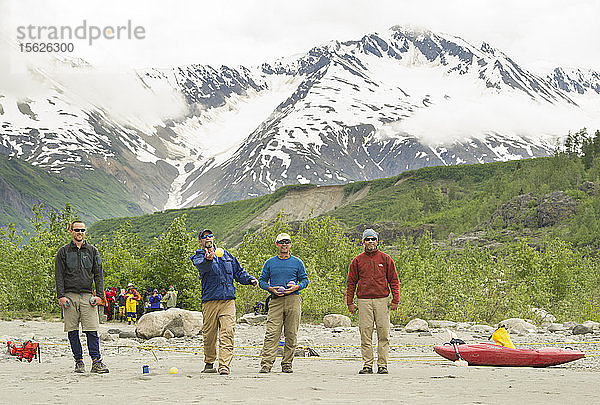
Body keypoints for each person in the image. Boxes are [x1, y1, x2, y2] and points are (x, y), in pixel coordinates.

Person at [190, 229, 258, 375]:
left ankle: (224, 366)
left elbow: (238, 272)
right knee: (209, 334)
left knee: (228, 332)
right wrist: (208, 259)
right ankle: (209, 362)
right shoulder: (199, 256)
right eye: (204, 236)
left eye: (210, 236)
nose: (208, 238)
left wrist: (250, 279)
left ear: (213, 238)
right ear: (200, 241)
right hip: (210, 301)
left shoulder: (226, 255)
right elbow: (202, 267)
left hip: (228, 301)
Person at [54, 220, 109, 374]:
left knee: (92, 330)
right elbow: (59, 275)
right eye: (77, 230)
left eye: (82, 230)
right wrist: (61, 296)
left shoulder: (93, 251)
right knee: (72, 331)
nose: (80, 233)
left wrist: (100, 296)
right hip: (69, 296)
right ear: (71, 231)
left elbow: (99, 274)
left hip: (88, 296)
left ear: (85, 232)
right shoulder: (63, 252)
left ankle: (96, 362)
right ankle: (79, 361)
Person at [346, 229, 399, 375]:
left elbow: (394, 280)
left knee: (383, 333)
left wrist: (395, 300)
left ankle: (383, 365)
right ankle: (367, 365)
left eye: (373, 239)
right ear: (363, 242)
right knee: (365, 332)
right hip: (363, 300)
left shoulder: (386, 259)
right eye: (367, 239)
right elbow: (351, 282)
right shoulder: (357, 260)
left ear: (377, 241)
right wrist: (349, 302)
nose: (370, 242)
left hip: (382, 300)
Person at [258, 233, 309, 374]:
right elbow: (261, 281)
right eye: (281, 242)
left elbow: (305, 280)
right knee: (271, 333)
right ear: (277, 244)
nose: (284, 244)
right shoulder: (270, 263)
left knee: (291, 333)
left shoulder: (297, 262)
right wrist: (270, 288)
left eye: (287, 242)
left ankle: (287, 364)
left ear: (290, 244)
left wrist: (297, 287)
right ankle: (266, 364)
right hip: (275, 300)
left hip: (293, 299)